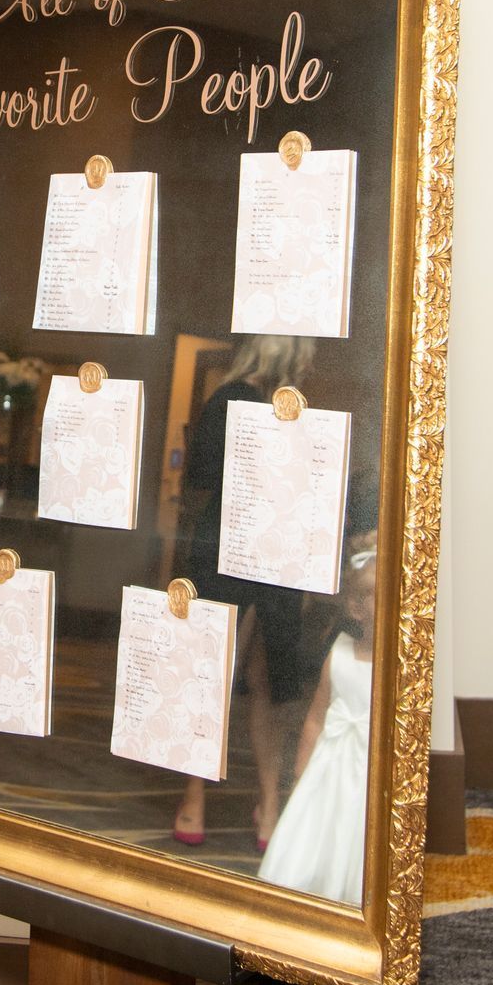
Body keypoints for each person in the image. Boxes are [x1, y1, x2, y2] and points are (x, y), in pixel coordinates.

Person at [172, 334, 316, 850]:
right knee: (214, 670)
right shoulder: (230, 398)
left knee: (266, 677)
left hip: (278, 551)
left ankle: (268, 802)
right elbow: (201, 475)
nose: (309, 358)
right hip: (227, 544)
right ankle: (195, 793)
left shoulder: (299, 407)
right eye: (304, 348)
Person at [256, 544, 377, 904]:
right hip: (330, 769)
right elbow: (315, 718)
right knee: (319, 831)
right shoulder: (339, 654)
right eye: (378, 596)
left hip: (368, 773)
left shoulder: (400, 666)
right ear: (357, 607)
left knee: (355, 837)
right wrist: (300, 775)